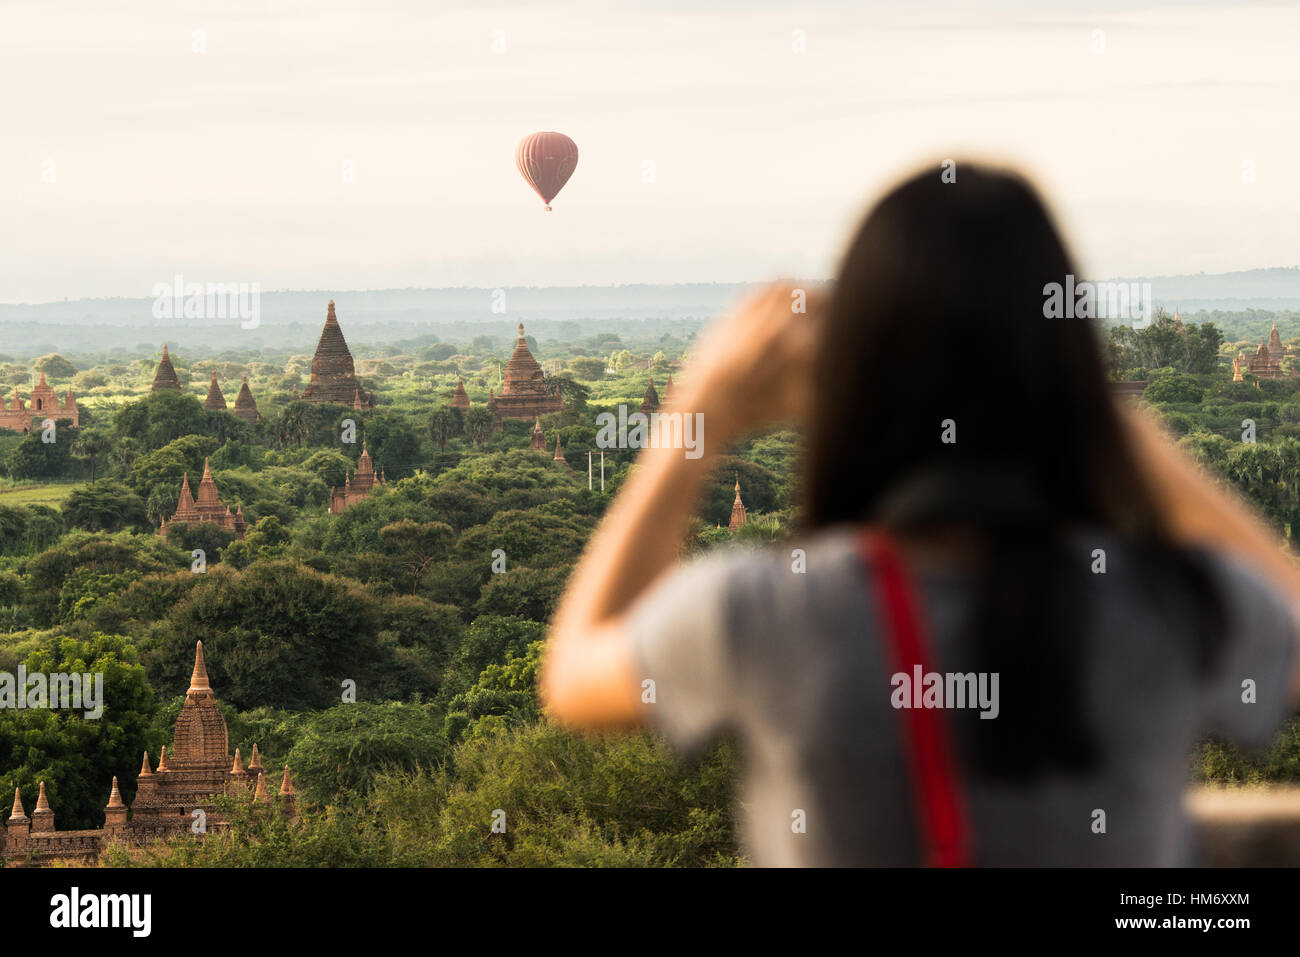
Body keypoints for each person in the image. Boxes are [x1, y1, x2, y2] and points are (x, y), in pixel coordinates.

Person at [540, 164, 1300, 866]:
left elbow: (572, 674)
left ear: (853, 376)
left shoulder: (772, 612)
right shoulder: (1163, 604)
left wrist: (696, 415)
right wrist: (1120, 430)